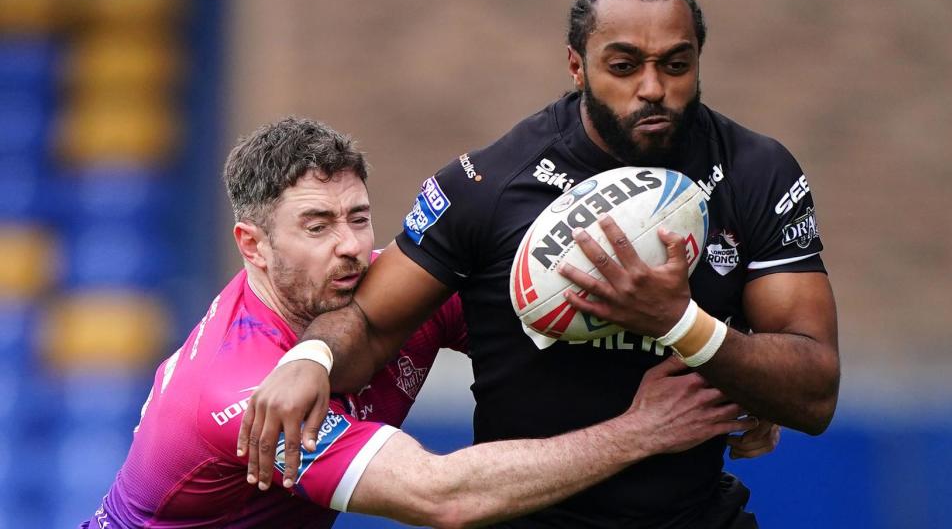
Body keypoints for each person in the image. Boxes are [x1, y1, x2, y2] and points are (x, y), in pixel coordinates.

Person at [240, 0, 834, 529]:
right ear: (576, 66)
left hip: (696, 514)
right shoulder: (488, 185)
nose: (653, 88)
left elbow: (814, 393)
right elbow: (368, 325)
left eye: (676, 65)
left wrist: (684, 326)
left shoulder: (757, 172)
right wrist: (308, 359)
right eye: (623, 66)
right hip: (528, 517)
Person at [81, 118, 770, 529]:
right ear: (252, 246)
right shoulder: (240, 387)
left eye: (357, 217)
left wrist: (732, 371)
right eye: (317, 226)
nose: (350, 245)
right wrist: (642, 431)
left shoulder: (384, 294)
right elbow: (443, 498)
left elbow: (551, 343)